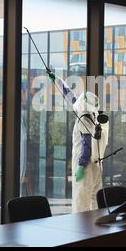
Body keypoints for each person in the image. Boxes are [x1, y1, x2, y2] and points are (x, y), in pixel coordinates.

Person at [48, 71, 109, 213]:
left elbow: (87, 145)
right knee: (96, 203)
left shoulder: (84, 119)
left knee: (81, 205)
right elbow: (70, 97)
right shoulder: (91, 115)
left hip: (86, 166)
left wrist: (81, 166)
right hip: (97, 166)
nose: (77, 101)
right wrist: (57, 80)